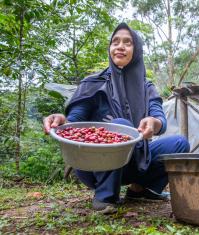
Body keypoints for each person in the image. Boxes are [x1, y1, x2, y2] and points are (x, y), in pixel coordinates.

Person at [43, 22, 190, 214]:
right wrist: (63, 121)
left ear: (136, 50)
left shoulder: (147, 87)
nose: (120, 46)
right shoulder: (93, 83)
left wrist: (154, 123)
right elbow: (74, 121)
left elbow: (158, 118)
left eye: (128, 42)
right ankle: (105, 196)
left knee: (180, 143)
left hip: (136, 159)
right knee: (120, 126)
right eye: (115, 42)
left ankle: (140, 190)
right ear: (110, 48)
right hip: (95, 163)